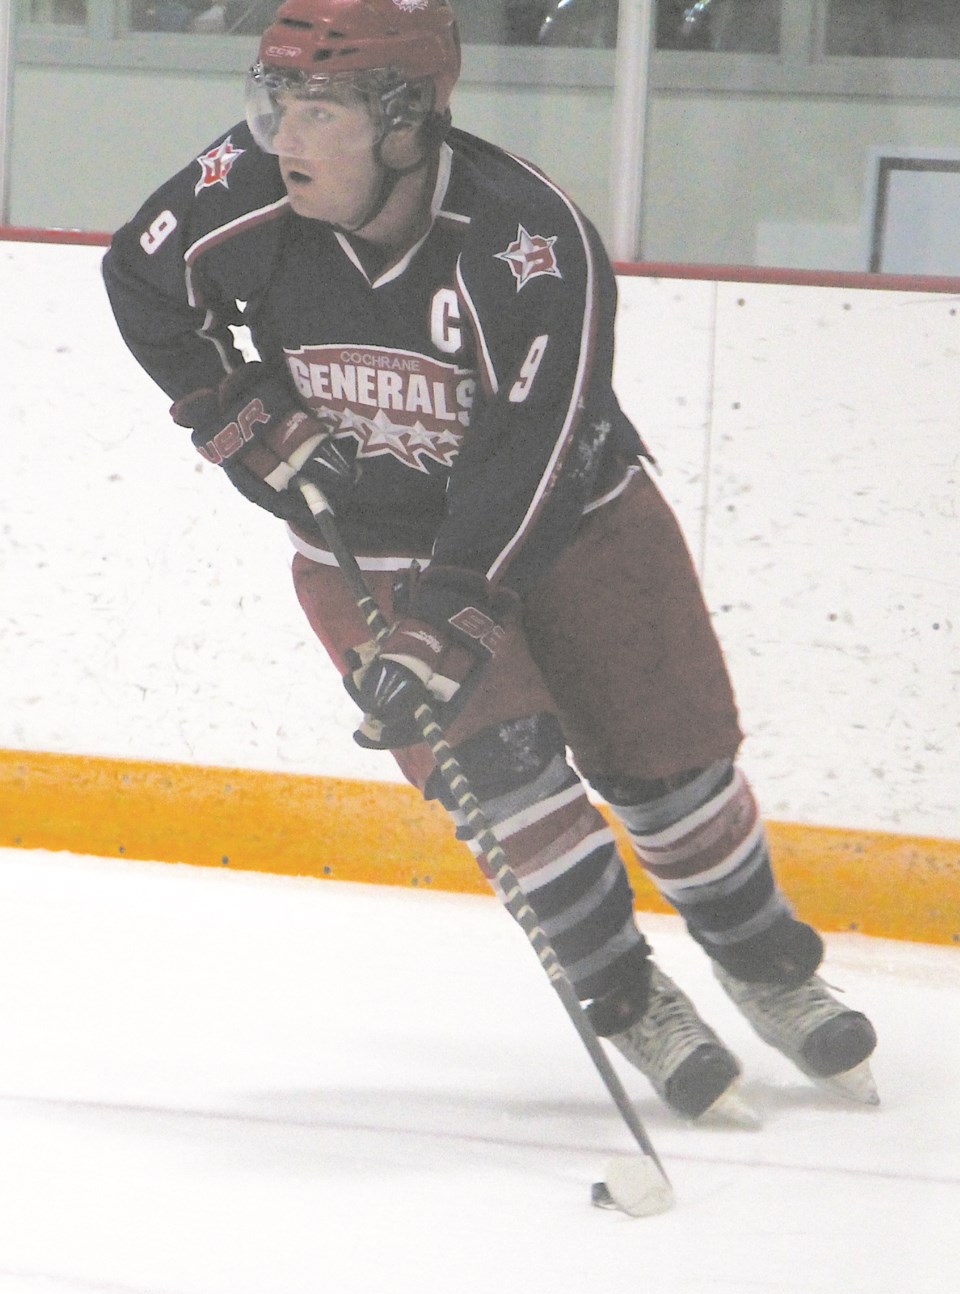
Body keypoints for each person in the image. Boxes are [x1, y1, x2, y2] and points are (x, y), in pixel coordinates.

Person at [102, 0, 877, 1124]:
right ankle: (630, 998)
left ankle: (766, 964)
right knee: (509, 782)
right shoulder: (241, 189)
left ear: (407, 118)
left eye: (318, 109)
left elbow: (535, 450)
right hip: (366, 545)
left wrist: (453, 612)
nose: (284, 136)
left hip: (576, 521)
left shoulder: (528, 239)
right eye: (274, 102)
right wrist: (236, 406)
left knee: (668, 768)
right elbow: (139, 280)